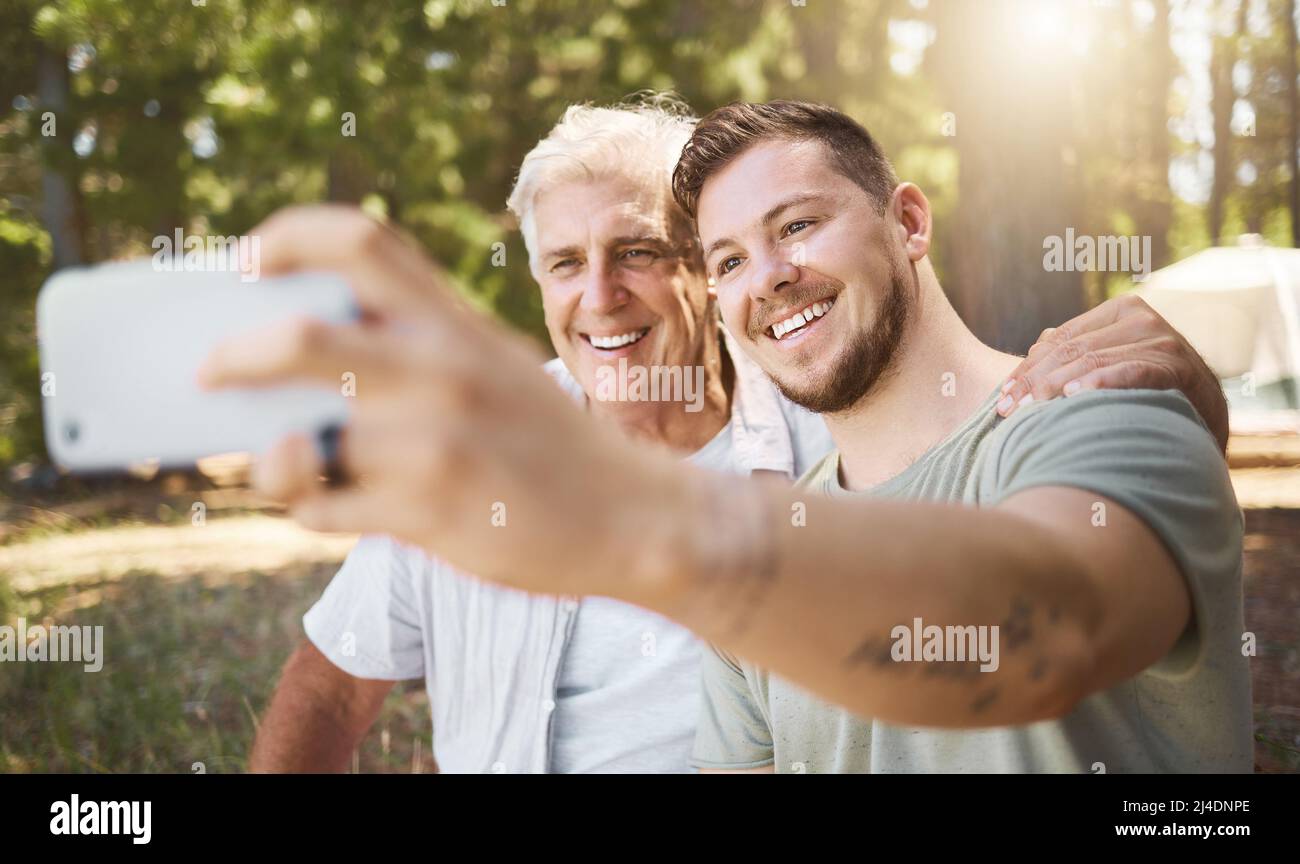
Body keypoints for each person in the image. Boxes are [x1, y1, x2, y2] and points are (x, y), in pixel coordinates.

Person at [204, 99, 1242, 773]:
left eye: (796, 227)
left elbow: (1033, 635)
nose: (768, 278)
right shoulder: (786, 519)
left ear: (909, 223)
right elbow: (331, 682)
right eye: (732, 257)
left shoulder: (1085, 415)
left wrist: (623, 517)